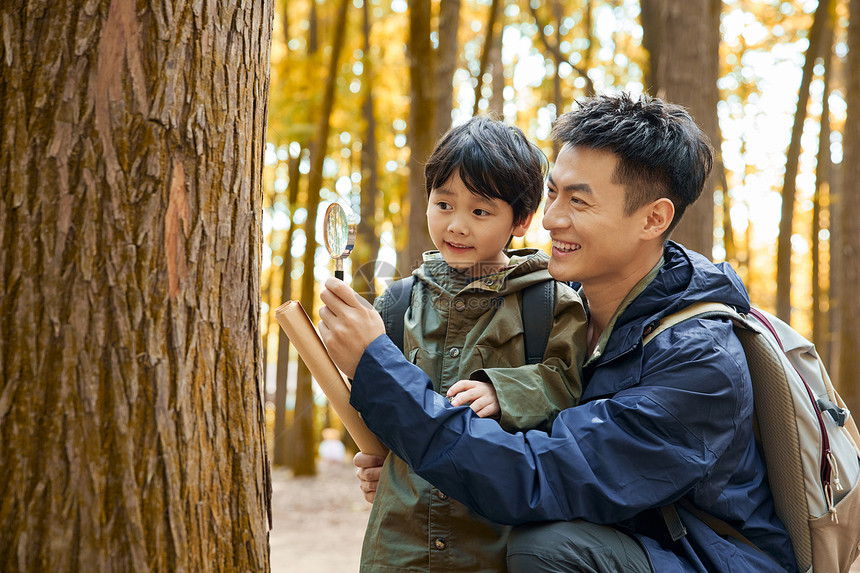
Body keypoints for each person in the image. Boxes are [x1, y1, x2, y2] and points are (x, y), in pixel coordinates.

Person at [318, 93, 797, 573]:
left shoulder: (698, 363)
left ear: (654, 218)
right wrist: (415, 471)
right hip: (628, 535)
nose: (550, 220)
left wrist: (380, 371)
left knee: (549, 550)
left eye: (578, 201)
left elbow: (534, 476)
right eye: (552, 193)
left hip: (706, 558)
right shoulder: (561, 310)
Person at [356, 116, 588, 572]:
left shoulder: (549, 302)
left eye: (480, 212)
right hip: (400, 544)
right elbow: (378, 406)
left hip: (490, 543)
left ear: (520, 220)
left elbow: (567, 382)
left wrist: (502, 391)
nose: (457, 225)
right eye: (444, 204)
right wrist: (376, 457)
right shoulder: (398, 302)